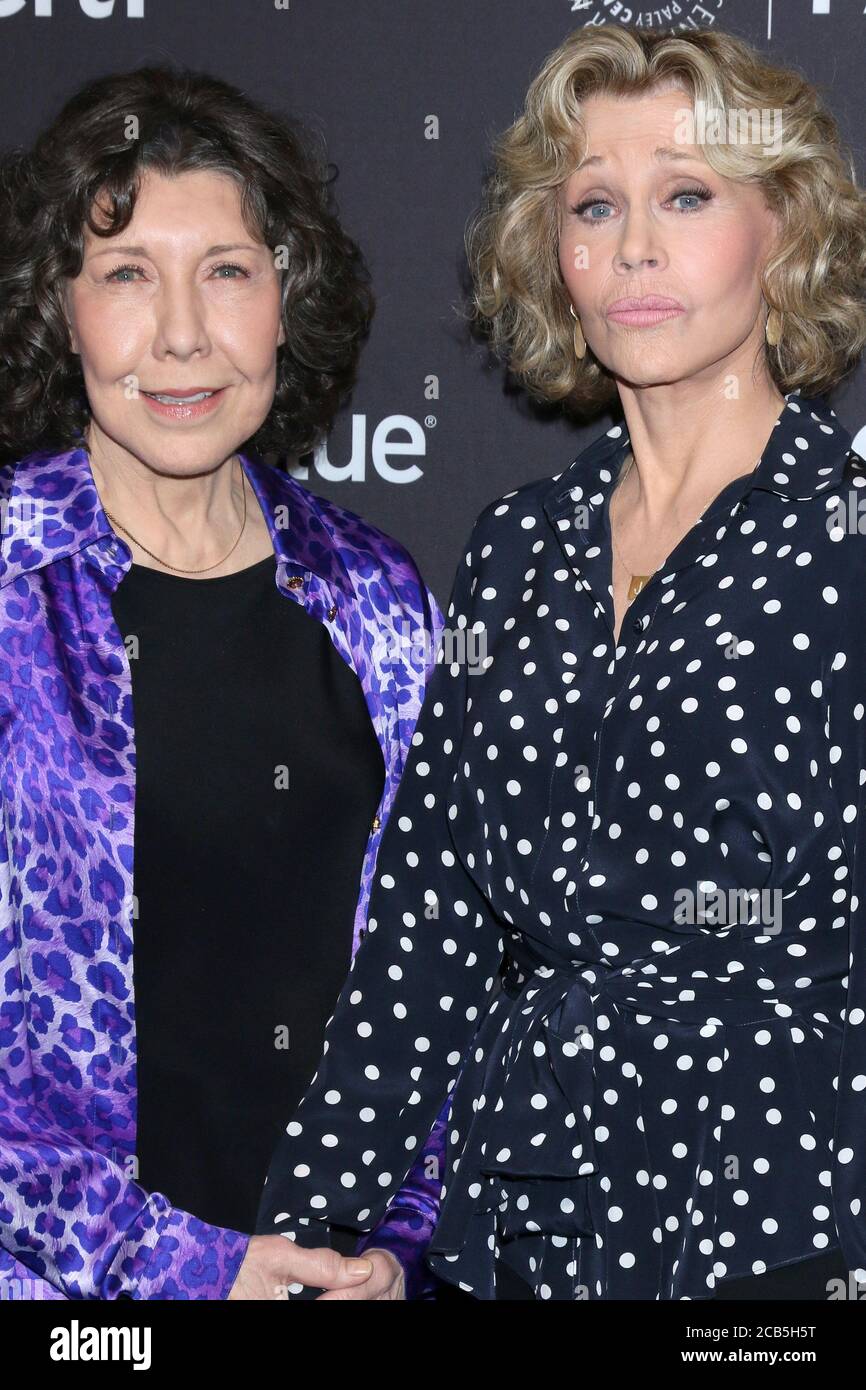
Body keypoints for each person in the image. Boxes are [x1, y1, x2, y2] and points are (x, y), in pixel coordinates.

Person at [255, 26, 866, 1300]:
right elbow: (427, 932)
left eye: (686, 195)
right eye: (595, 203)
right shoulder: (518, 550)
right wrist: (309, 1238)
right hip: (524, 1234)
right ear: (554, 250)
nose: (634, 245)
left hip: (781, 1241)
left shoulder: (842, 543)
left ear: (784, 229)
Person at [0, 64, 448, 1302]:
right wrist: (190, 1269)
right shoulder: (6, 584)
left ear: (285, 299)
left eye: (229, 272)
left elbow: (438, 970)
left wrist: (396, 1239)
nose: (183, 334)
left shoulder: (373, 598)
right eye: (128, 274)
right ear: (61, 306)